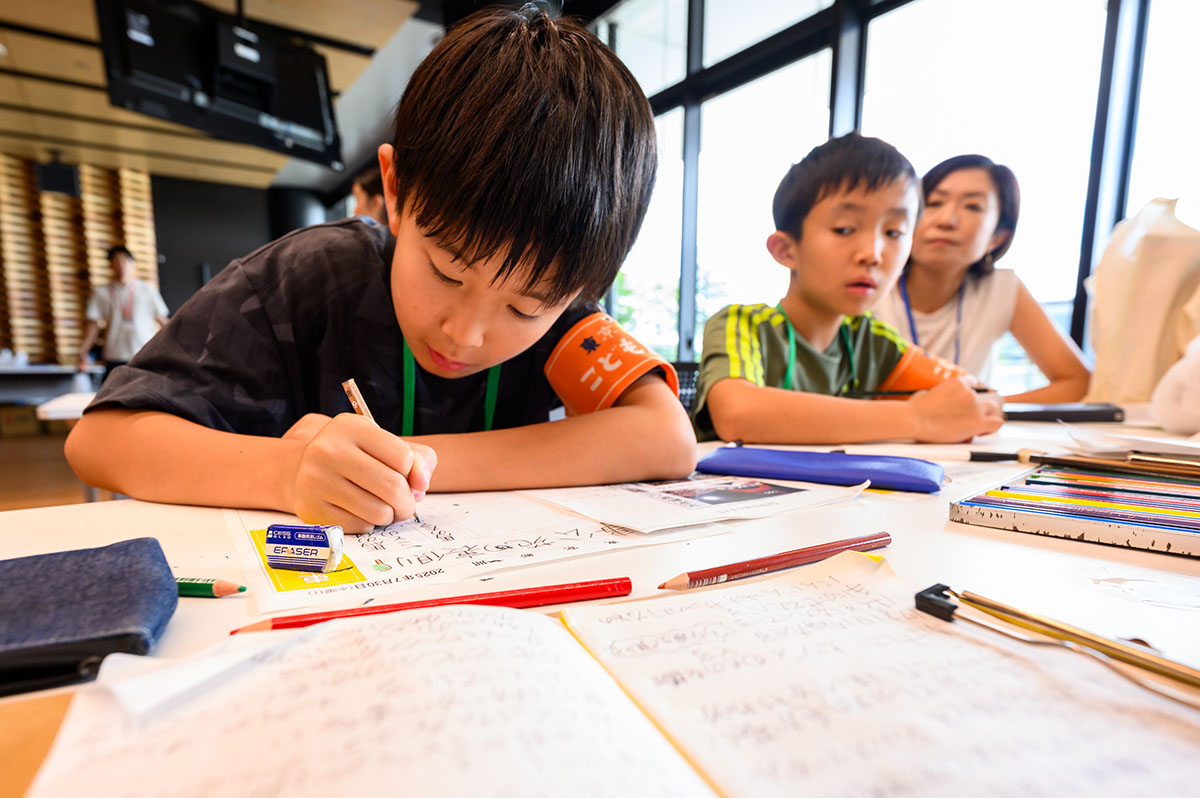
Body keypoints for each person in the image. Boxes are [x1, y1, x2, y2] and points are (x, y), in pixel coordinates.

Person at [66, 5, 696, 533]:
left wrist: (411, 463)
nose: (466, 333)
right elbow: (102, 440)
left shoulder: (566, 308)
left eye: (524, 308)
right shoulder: (306, 277)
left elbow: (666, 437)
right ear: (395, 191)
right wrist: (286, 471)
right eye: (448, 272)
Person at [692, 133, 1004, 445]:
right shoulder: (741, 325)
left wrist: (961, 409)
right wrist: (919, 418)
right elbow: (738, 413)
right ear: (786, 250)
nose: (873, 253)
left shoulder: (874, 343)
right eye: (844, 229)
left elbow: (976, 397)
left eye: (894, 232)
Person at [873, 155, 1090, 402]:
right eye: (933, 203)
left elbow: (1078, 381)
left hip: (963, 438)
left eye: (973, 207)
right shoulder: (869, 279)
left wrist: (983, 407)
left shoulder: (1001, 288)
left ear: (997, 238)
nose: (946, 220)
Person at [76, 245, 169, 382]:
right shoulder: (101, 292)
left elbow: (162, 320)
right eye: (116, 261)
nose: (121, 265)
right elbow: (93, 326)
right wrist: (83, 351)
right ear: (111, 265)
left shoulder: (147, 290)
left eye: (125, 261)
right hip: (115, 356)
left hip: (143, 354)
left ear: (133, 264)